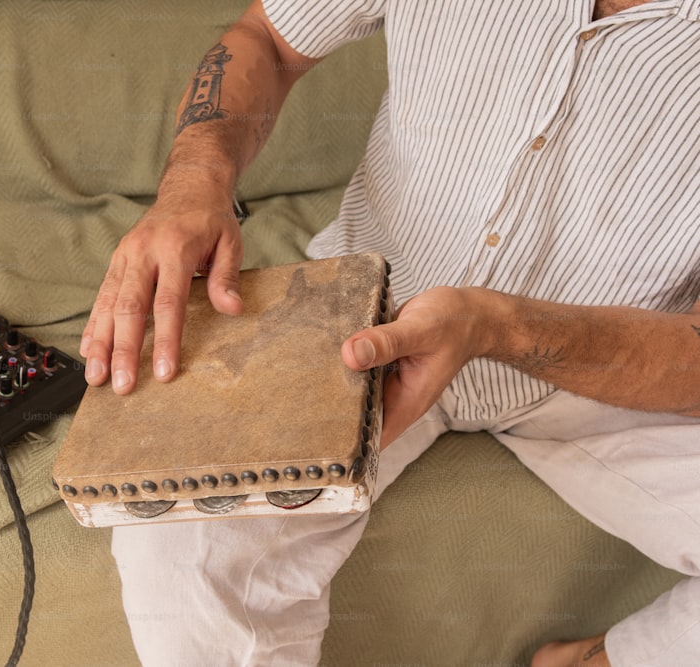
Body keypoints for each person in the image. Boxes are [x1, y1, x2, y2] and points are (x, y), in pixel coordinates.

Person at [79, 0, 700, 664]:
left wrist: (496, 326)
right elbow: (267, 38)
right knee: (180, 535)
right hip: (362, 320)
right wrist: (193, 180)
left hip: (607, 361)